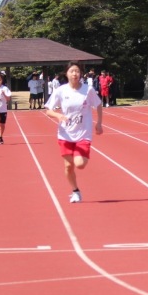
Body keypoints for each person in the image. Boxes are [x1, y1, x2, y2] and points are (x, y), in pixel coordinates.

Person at [44, 62, 104, 203]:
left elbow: (98, 104)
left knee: (80, 164)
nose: (75, 74)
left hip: (83, 133)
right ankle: (75, 191)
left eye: (77, 71)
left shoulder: (88, 90)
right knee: (68, 166)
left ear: (80, 73)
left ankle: (80, 157)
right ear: (67, 73)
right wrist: (58, 115)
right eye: (72, 71)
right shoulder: (61, 91)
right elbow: (48, 110)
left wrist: (99, 123)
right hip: (65, 134)